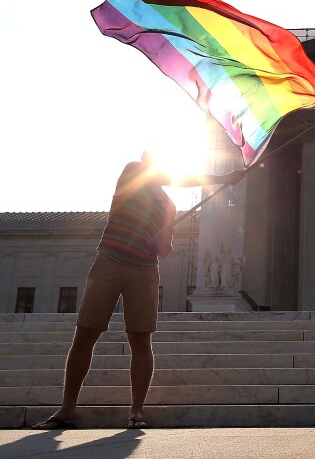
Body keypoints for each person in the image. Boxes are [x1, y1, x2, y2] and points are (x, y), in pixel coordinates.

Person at [32, 149, 245, 430]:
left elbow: (165, 249)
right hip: (109, 260)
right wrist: (222, 178)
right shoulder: (132, 172)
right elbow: (174, 178)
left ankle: (136, 409)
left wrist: (160, 239)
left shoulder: (167, 205)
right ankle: (68, 406)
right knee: (85, 334)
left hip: (144, 270)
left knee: (141, 341)